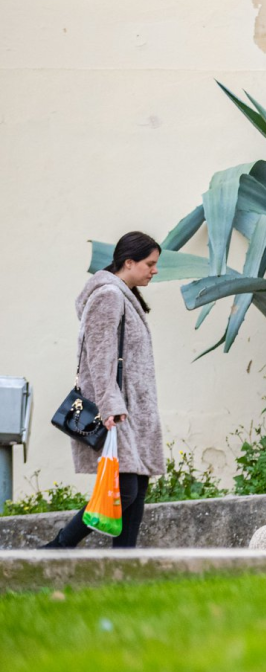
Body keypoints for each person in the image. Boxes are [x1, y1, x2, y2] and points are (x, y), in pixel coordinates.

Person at [42, 232, 165, 549]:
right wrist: (110, 407)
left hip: (132, 413)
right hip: (117, 412)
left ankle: (123, 567)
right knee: (124, 490)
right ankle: (57, 548)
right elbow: (98, 356)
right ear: (129, 262)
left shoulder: (124, 296)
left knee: (136, 488)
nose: (154, 270)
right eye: (150, 264)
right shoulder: (108, 295)